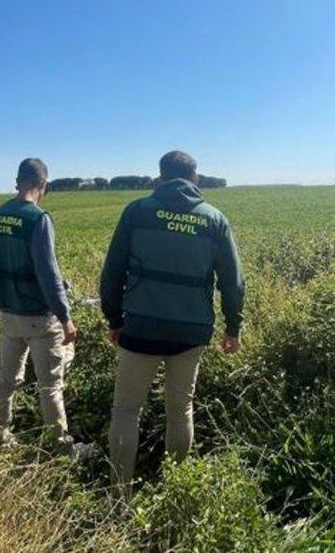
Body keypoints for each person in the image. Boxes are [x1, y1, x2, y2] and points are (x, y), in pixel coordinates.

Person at [100, 150, 245, 495]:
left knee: (125, 411)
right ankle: (175, 491)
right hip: (190, 331)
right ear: (196, 179)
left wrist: (114, 319)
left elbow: (111, 274)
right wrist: (233, 328)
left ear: (161, 177)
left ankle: (120, 495)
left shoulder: (137, 212)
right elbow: (233, 281)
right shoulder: (214, 219)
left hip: (140, 328)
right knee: (180, 410)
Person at [0, 157, 87, 456]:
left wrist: (2, 285)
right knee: (50, 385)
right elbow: (48, 274)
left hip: (8, 315)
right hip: (39, 318)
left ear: (17, 182)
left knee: (7, 379)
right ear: (43, 185)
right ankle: (61, 450)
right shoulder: (38, 219)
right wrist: (66, 318)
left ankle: (0, 435)